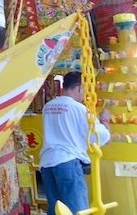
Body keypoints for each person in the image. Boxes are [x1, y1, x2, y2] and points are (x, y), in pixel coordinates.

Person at [39, 71, 111, 215]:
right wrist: (105, 120)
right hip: (68, 163)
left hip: (47, 163)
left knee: (56, 210)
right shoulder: (79, 108)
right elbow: (103, 138)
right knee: (77, 210)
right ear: (80, 87)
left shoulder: (48, 106)